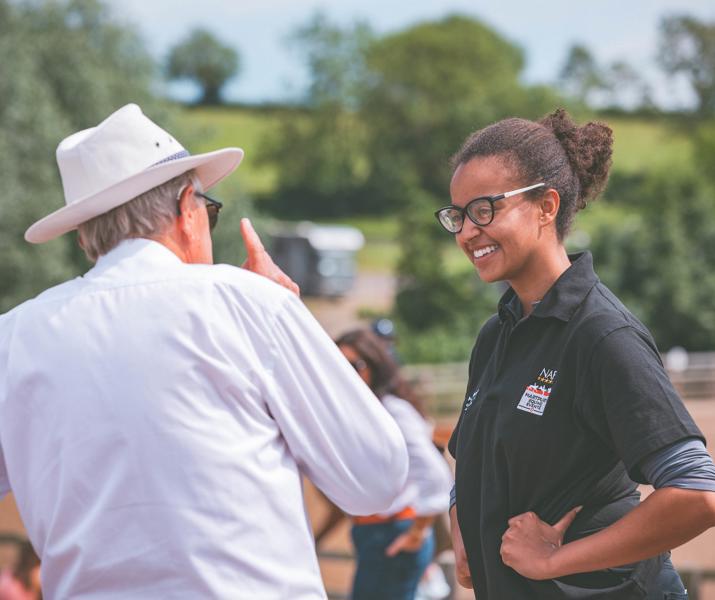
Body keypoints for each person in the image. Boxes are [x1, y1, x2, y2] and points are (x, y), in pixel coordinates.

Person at [0, 104, 409, 599]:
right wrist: (289, 315)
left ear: (87, 234)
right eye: (210, 210)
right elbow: (377, 478)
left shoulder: (15, 335)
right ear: (187, 207)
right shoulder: (244, 301)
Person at [438, 108, 715, 599]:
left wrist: (553, 560)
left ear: (547, 206)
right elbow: (468, 456)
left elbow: (697, 491)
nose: (467, 232)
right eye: (457, 216)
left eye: (484, 209)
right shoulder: (495, 335)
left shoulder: (602, 334)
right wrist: (463, 527)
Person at [315, 328, 453, 600]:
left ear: (374, 366)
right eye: (338, 364)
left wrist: (416, 532)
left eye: (355, 365)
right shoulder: (361, 413)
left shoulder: (392, 410)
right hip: (372, 533)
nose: (347, 373)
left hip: (394, 532)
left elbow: (436, 474)